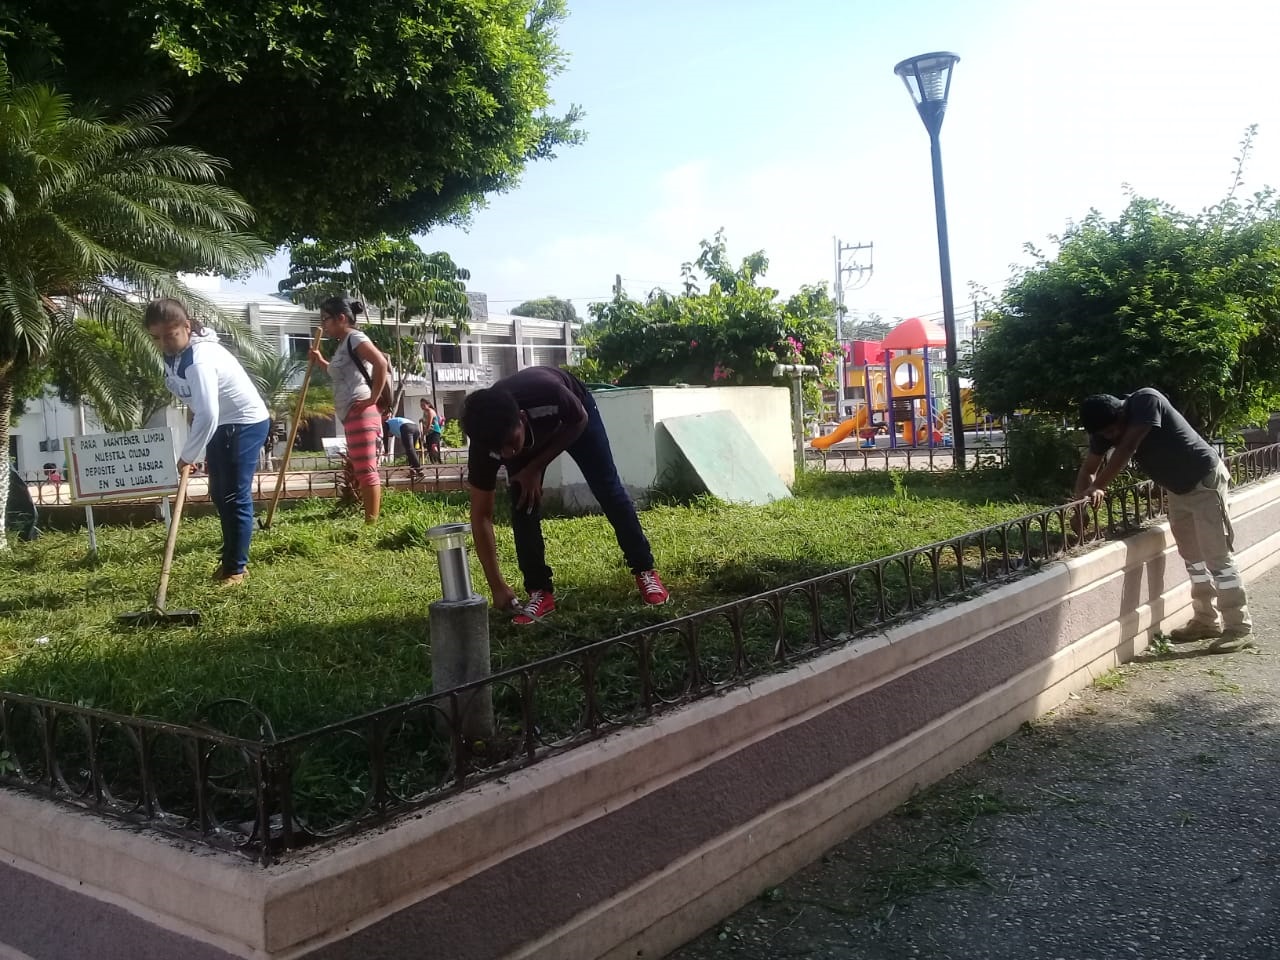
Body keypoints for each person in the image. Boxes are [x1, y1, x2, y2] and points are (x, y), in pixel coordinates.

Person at [462, 367, 669, 624]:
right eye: (499, 450)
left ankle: (645, 570)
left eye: (512, 443)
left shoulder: (548, 393)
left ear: (522, 418)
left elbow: (579, 420)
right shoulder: (486, 444)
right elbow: (481, 516)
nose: (508, 454)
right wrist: (497, 586)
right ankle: (540, 591)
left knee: (607, 487)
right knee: (523, 504)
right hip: (531, 430)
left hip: (575, 416)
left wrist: (535, 468)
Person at [1077, 389, 1251, 648]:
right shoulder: (1103, 430)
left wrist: (1099, 485)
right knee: (1193, 558)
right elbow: (1088, 469)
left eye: (1112, 431)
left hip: (1204, 481)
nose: (1110, 437)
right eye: (1104, 435)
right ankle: (1206, 620)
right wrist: (1080, 508)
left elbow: (1128, 447)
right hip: (1177, 489)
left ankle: (1239, 627)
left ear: (1122, 413)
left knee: (1217, 556)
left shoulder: (1146, 401)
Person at [146, 298, 270, 586]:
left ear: (187, 327)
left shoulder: (200, 359)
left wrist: (186, 457)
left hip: (244, 423)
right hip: (221, 424)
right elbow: (198, 403)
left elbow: (209, 413)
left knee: (234, 495)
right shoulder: (176, 355)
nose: (163, 343)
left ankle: (235, 569)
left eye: (170, 335)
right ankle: (231, 560)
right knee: (219, 493)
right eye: (156, 338)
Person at [308, 297, 391, 523]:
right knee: (362, 469)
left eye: (325, 319)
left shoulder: (355, 338)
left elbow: (381, 363)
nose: (323, 325)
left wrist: (373, 397)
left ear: (341, 318)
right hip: (352, 413)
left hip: (361, 410)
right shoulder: (344, 343)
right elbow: (340, 374)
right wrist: (320, 361)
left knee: (366, 470)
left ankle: (371, 524)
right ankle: (370, 520)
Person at [385, 412, 424, 478]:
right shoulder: (394, 425)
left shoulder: (386, 423)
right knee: (411, 451)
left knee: (410, 450)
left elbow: (385, 438)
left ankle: (419, 470)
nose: (390, 436)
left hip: (406, 427)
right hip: (415, 427)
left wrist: (386, 450)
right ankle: (412, 471)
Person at [420, 398, 445, 464]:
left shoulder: (430, 411)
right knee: (429, 448)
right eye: (421, 405)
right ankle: (433, 462)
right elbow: (425, 421)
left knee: (434, 446)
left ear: (428, 404)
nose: (422, 407)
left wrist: (423, 435)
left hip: (435, 431)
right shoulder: (425, 412)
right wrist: (421, 420)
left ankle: (438, 461)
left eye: (423, 405)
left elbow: (429, 424)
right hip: (429, 432)